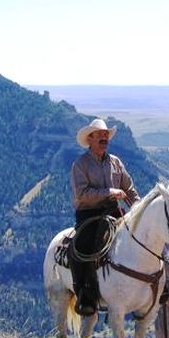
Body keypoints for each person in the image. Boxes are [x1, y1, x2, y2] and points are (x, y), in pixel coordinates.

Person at [70, 118, 140, 316]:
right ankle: (85, 294)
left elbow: (129, 189)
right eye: (99, 135)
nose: (104, 138)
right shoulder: (80, 165)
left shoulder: (116, 162)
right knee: (83, 247)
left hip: (112, 211)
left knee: (140, 237)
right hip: (88, 214)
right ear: (90, 139)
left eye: (105, 135)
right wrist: (109, 191)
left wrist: (139, 209)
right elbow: (81, 194)